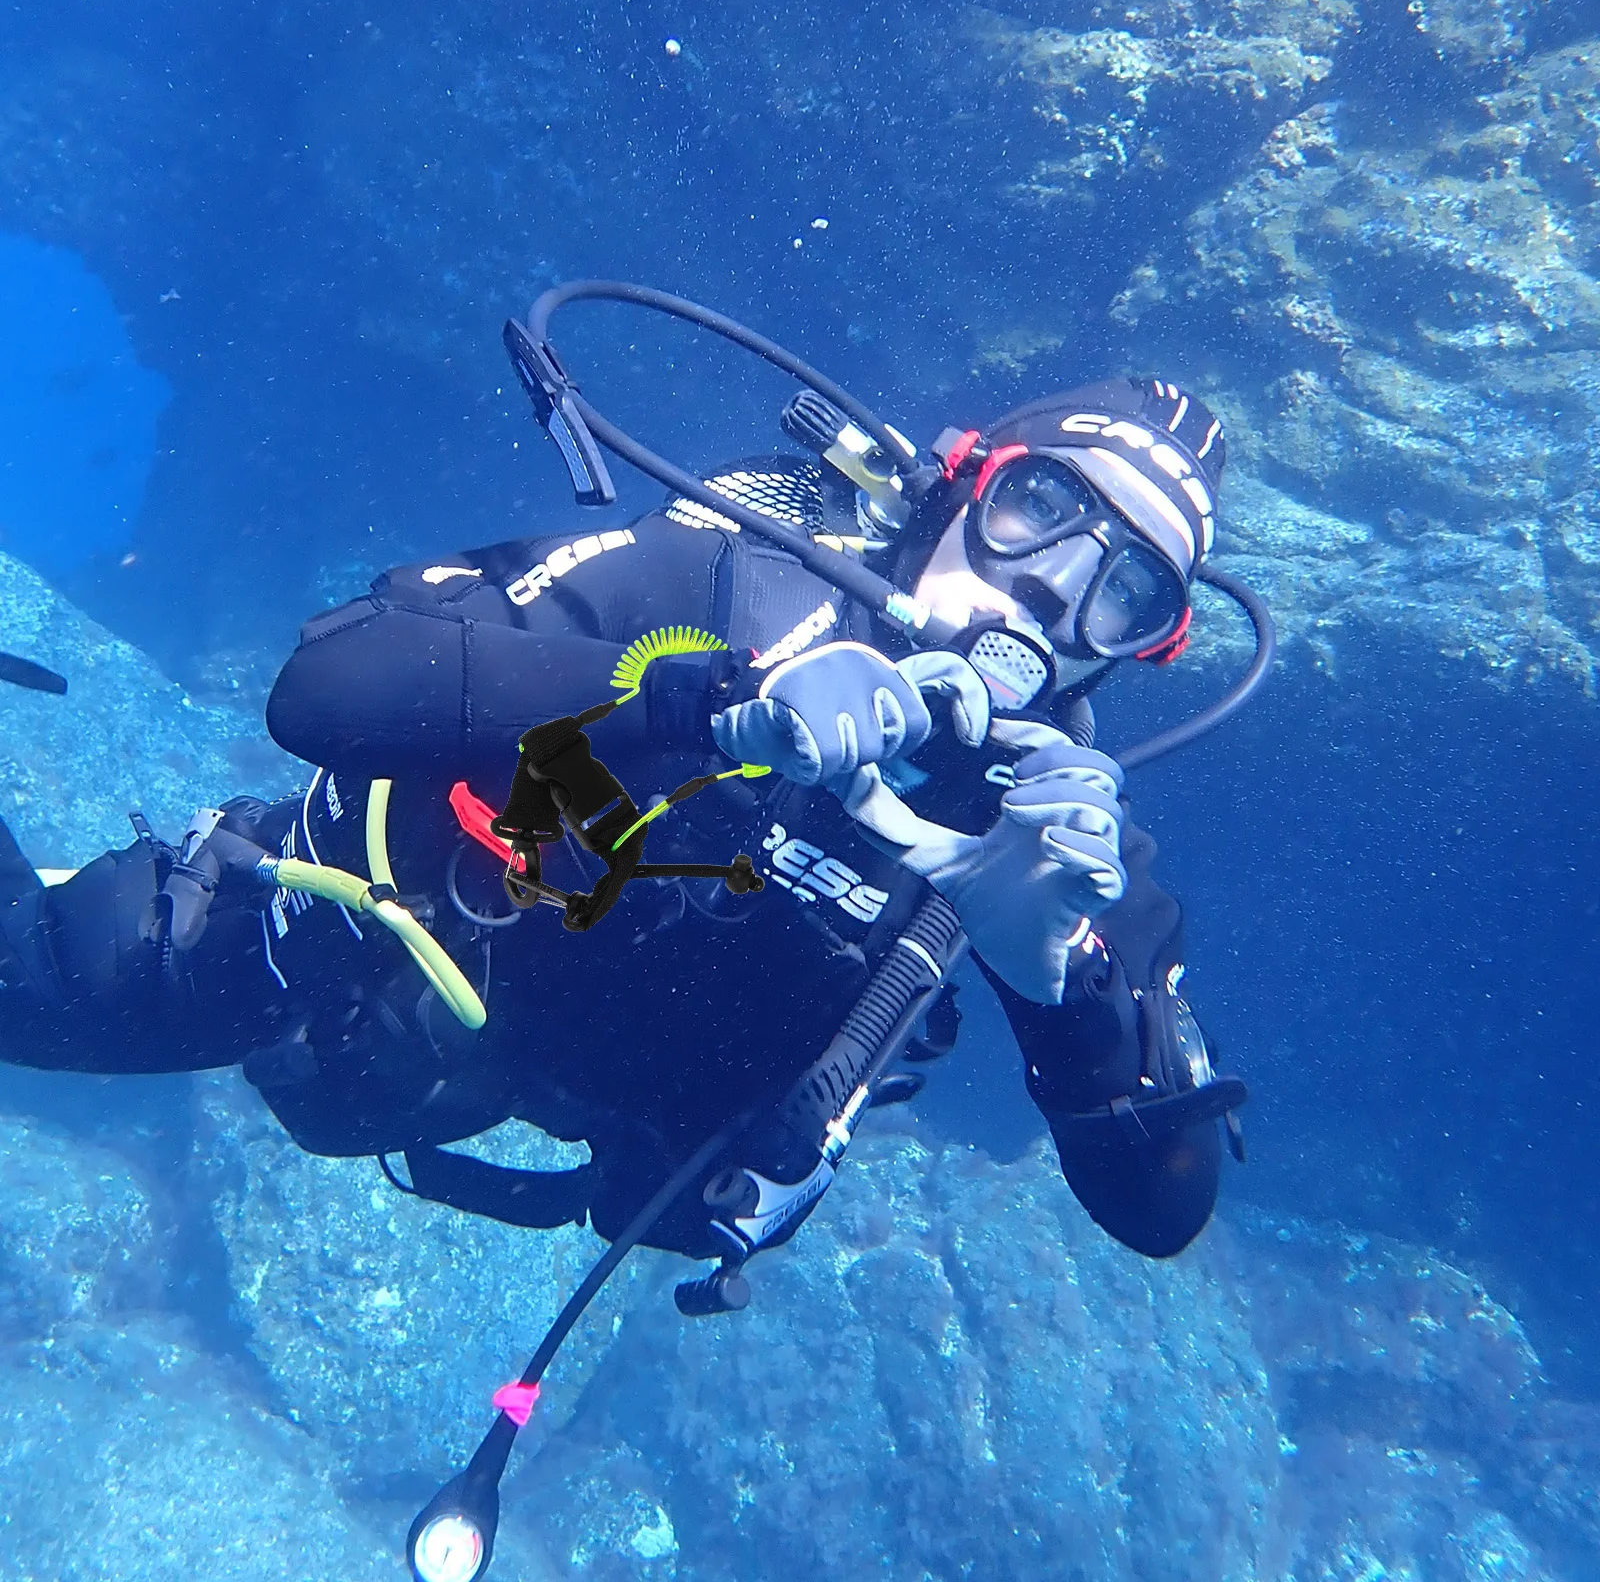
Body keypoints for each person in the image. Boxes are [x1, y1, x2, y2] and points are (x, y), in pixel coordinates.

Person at [0, 368, 1251, 1277]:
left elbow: (1160, 1205)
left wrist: (1058, 984)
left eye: (1125, 588)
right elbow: (328, 686)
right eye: (1041, 508)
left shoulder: (1062, 848)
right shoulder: (718, 584)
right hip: (304, 946)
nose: (1052, 580)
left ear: (1145, 649)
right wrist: (705, 703)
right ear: (960, 483)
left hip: (506, 1101)